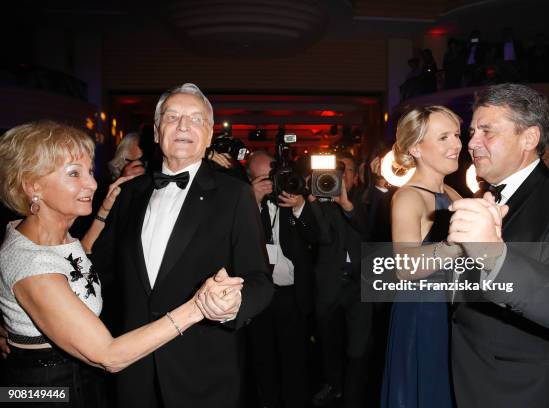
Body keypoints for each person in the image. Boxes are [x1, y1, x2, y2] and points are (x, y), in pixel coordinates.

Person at [0, 121, 216, 407]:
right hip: (46, 390)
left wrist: (103, 211)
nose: (91, 183)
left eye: (89, 171)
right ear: (32, 185)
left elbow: (75, 260)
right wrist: (198, 306)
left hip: (72, 379)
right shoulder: (34, 266)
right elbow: (109, 355)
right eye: (73, 174)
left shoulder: (45, 233)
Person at [91, 83, 274, 408]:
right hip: (132, 369)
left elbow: (260, 279)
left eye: (195, 119)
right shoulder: (128, 194)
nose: (184, 126)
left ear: (208, 135)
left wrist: (234, 304)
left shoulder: (234, 195)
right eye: (173, 117)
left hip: (203, 374)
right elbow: (101, 273)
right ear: (158, 133)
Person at [449, 83, 549, 408]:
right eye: (472, 131)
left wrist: (497, 257)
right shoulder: (487, 197)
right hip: (479, 379)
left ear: (529, 138)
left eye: (486, 131)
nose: (472, 143)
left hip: (527, 392)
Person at [380, 106, 463, 408]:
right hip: (423, 315)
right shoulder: (408, 197)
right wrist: (457, 245)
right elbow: (405, 268)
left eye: (456, 135)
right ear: (415, 147)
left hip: (454, 312)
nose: (456, 144)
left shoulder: (454, 194)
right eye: (443, 137)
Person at [245, 150, 318, 408]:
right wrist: (252, 201)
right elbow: (237, 242)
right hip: (260, 295)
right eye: (263, 178)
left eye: (274, 176)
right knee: (262, 360)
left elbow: (317, 237)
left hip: (292, 295)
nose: (271, 184)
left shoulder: (293, 196)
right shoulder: (246, 203)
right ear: (251, 179)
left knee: (295, 361)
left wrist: (299, 206)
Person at [310, 152, 372, 408]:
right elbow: (320, 237)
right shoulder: (321, 200)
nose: (339, 176)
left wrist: (347, 205)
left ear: (356, 176)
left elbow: (372, 229)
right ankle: (333, 385)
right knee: (328, 341)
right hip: (329, 282)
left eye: (344, 171)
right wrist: (312, 200)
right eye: (336, 170)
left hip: (361, 284)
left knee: (358, 346)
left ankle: (353, 393)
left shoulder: (368, 200)